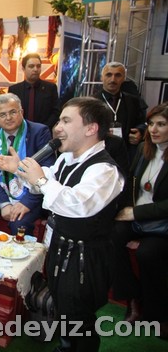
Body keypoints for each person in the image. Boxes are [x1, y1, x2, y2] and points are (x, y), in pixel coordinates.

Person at [0, 97, 124, 351]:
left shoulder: (105, 170)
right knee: (64, 308)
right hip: (60, 248)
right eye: (59, 121)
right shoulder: (67, 158)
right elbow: (43, 183)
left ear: (91, 128)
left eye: (66, 121)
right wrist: (19, 169)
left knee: (78, 317)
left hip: (85, 259)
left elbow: (78, 205)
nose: (57, 128)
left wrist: (41, 180)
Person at [112, 102, 168, 338]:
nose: (153, 130)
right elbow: (130, 185)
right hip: (136, 217)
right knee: (110, 236)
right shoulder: (143, 151)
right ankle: (132, 298)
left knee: (148, 253)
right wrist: (125, 208)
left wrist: (135, 213)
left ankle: (158, 314)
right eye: (151, 124)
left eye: (161, 124)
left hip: (161, 225)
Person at [0, 93, 54, 235]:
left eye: (13, 112)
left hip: (31, 193)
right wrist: (4, 204)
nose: (8, 118)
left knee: (19, 223)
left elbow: (48, 172)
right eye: (2, 115)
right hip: (3, 189)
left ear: (21, 112)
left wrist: (26, 203)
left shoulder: (39, 132)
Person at [94, 61, 147, 161]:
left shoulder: (134, 101)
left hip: (126, 153)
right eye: (109, 75)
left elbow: (143, 122)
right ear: (102, 78)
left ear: (124, 78)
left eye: (118, 75)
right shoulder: (91, 102)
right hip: (99, 151)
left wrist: (140, 131)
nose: (113, 79)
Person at [9, 53, 60, 130]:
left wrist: (42, 128)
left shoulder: (50, 88)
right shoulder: (14, 90)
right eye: (31, 66)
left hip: (44, 131)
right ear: (23, 68)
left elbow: (56, 112)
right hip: (20, 131)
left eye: (38, 66)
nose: (35, 69)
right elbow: (10, 112)